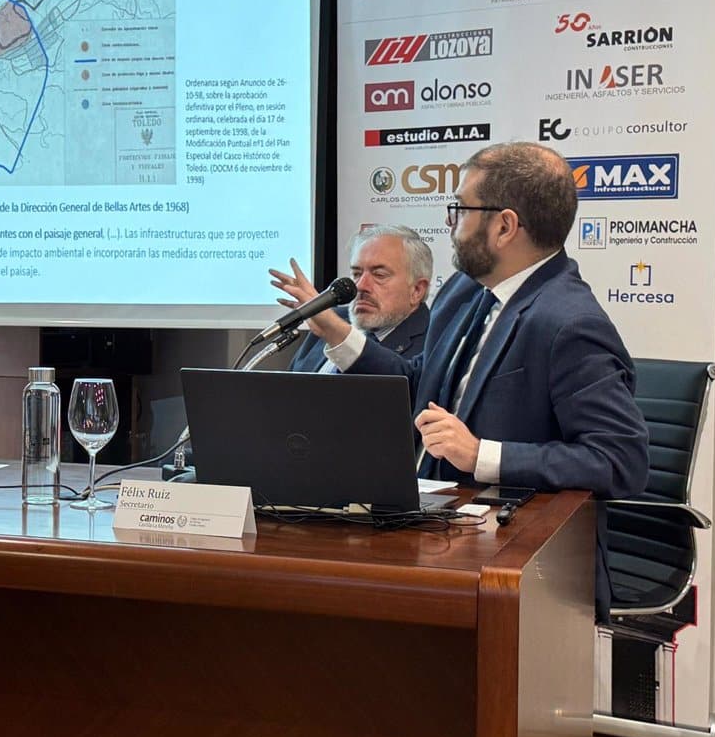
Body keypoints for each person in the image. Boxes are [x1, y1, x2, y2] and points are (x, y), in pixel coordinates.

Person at [274, 142, 649, 620]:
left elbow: (621, 461)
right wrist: (340, 334)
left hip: (516, 567)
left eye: (460, 209)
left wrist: (482, 454)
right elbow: (418, 383)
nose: (451, 225)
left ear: (504, 226)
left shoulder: (569, 323)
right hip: (430, 530)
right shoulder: (466, 289)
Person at [272, 224, 432, 372]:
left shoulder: (433, 342)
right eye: (356, 274)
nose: (361, 286)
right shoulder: (331, 318)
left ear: (416, 290)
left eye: (379, 275)